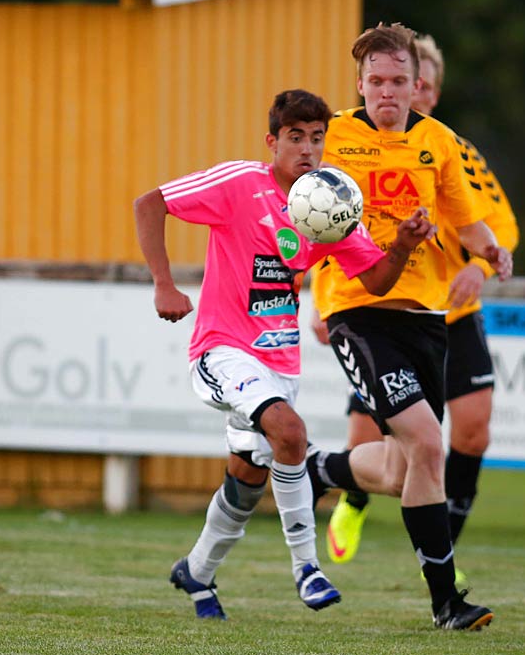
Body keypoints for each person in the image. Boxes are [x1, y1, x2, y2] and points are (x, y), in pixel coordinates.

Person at [135, 88, 433, 620]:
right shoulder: (239, 184)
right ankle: (307, 568)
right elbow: (149, 203)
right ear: (272, 142)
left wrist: (403, 247)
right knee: (292, 434)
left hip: (280, 363)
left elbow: (376, 280)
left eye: (318, 138)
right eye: (296, 138)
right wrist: (164, 284)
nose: (308, 149)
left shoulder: (330, 205)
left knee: (247, 480)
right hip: (221, 350)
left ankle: (196, 572)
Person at [309, 23, 512, 631]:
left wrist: (490, 253)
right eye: (377, 82)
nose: (389, 93)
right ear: (360, 84)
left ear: (416, 83)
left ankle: (312, 466)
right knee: (429, 445)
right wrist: (309, 294)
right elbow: (300, 213)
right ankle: (447, 602)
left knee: (403, 470)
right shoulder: (334, 137)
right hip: (359, 313)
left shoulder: (440, 143)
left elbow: (468, 222)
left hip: (428, 321)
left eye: (400, 81)